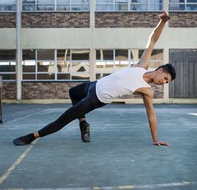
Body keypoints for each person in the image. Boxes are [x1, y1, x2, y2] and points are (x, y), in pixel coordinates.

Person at [13, 10, 176, 147]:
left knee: (63, 119)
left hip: (96, 98)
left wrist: (155, 139)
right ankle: (84, 124)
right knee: (73, 93)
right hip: (95, 84)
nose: (164, 83)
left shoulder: (147, 91)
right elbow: (152, 40)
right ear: (160, 70)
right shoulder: (143, 65)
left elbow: (151, 116)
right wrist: (162, 22)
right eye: (166, 78)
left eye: (167, 82)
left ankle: (31, 137)